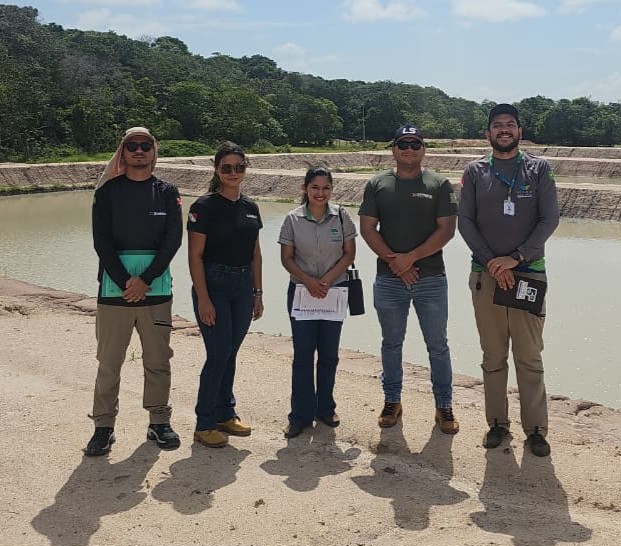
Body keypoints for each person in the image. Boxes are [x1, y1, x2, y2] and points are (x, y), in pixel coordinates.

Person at [457, 103, 560, 457]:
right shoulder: (474, 172)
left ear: (519, 131)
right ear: (488, 134)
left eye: (510, 124)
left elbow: (549, 220)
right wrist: (491, 262)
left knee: (529, 357)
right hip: (486, 276)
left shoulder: (539, 169)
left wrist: (514, 259)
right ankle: (497, 424)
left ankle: (535, 429)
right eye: (497, 125)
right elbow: (465, 222)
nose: (504, 130)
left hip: (528, 272)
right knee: (493, 355)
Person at [85, 126, 183, 457]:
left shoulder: (168, 192)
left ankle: (159, 421)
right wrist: (127, 280)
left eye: (145, 145)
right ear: (122, 153)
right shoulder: (107, 193)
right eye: (131, 146)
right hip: (115, 291)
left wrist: (146, 280)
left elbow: (172, 241)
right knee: (109, 362)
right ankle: (103, 427)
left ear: (155, 152)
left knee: (158, 360)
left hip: (157, 290)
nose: (138, 151)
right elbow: (102, 242)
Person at [358, 124, 459, 434]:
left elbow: (447, 230)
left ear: (423, 149)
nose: (409, 149)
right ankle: (392, 401)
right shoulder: (377, 184)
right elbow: (367, 229)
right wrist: (396, 263)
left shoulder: (439, 184)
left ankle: (444, 406)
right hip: (389, 280)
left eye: (416, 144)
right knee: (391, 344)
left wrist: (409, 259)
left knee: (437, 346)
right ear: (394, 148)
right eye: (403, 143)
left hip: (430, 279)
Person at [187, 141, 263, 448]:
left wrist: (258, 293)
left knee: (230, 351)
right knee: (218, 353)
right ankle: (204, 422)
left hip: (243, 286)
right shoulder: (203, 207)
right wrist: (204, 299)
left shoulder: (250, 207)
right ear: (217, 170)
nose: (234, 173)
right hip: (214, 284)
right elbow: (195, 256)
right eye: (227, 168)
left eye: (239, 167)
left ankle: (225, 413)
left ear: (246, 169)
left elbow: (255, 253)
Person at [278, 166, 357, 438]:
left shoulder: (342, 216)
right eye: (315, 187)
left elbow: (349, 254)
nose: (320, 193)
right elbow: (286, 258)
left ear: (331, 189)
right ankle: (299, 415)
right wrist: (309, 282)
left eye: (326, 188)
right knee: (302, 356)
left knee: (329, 355)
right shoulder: (292, 219)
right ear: (305, 188)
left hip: (334, 293)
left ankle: (325, 408)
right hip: (302, 293)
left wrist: (326, 280)